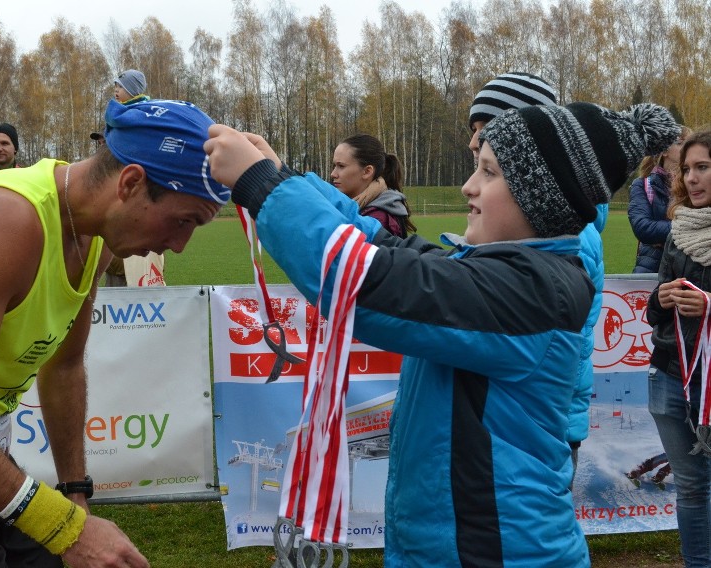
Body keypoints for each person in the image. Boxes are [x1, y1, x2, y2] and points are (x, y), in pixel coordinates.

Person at [204, 102, 678, 566]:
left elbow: (365, 281)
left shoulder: (531, 291)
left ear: (541, 196)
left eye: (490, 173)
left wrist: (260, 185)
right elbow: (384, 246)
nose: (468, 187)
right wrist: (283, 179)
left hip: (496, 552)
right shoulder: (504, 272)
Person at [0, 98, 230, 567]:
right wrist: (65, 529)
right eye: (183, 221)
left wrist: (74, 493)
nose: (179, 245)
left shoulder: (92, 236)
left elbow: (64, 366)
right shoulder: (10, 220)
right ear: (131, 182)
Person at [469, 72, 606, 485]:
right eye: (474, 132)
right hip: (522, 417)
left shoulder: (565, 238)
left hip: (542, 424)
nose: (474, 143)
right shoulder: (518, 225)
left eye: (485, 131)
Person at [646, 129, 711, 567]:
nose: (690, 178)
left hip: (708, 383)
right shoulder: (678, 230)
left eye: (702, 167)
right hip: (670, 374)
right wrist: (662, 298)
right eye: (686, 169)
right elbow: (654, 311)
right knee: (689, 487)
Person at [96, 68, 166, 287]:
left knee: (140, 277)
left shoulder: (141, 119)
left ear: (133, 89)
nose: (116, 91)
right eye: (115, 86)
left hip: (138, 203)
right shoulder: (120, 120)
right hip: (118, 203)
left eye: (120, 86)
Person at [628, 125, 691, 273]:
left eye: (689, 143)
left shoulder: (697, 182)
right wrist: (688, 229)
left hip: (691, 265)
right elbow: (643, 228)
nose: (687, 148)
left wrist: (662, 235)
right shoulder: (643, 184)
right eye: (681, 143)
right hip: (651, 267)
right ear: (664, 151)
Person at [331, 134, 416, 237]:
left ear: (367, 171)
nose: (333, 174)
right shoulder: (360, 210)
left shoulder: (378, 221)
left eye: (341, 166)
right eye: (334, 166)